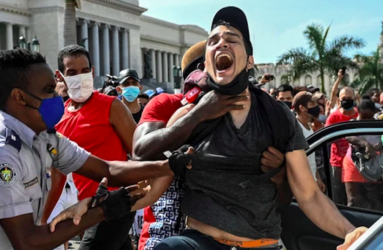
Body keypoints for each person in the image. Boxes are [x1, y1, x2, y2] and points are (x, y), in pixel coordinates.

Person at [149, 6, 366, 250]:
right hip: (196, 242)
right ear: (206, 63)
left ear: (250, 61)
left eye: (232, 39)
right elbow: (152, 185)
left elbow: (309, 195)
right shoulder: (188, 117)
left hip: (259, 245)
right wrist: (106, 204)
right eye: (213, 41)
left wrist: (350, 232)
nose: (221, 44)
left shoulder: (278, 117)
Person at [0, 48, 179, 250]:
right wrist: (101, 211)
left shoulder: (46, 138)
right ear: (20, 97)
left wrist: (169, 165)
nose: (57, 97)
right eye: (48, 90)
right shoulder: (0, 156)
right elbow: (27, 242)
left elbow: (107, 170)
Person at [133, 40, 289, 250]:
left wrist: (278, 174)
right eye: (214, 66)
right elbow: (142, 155)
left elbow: (279, 197)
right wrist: (198, 114)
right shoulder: (170, 106)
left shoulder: (262, 118)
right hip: (169, 230)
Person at [50, 45, 138, 250]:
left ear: (93, 71)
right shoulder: (58, 117)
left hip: (112, 205)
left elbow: (139, 153)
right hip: (81, 211)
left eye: (84, 71)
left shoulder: (112, 106)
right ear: (60, 76)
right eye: (72, 72)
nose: (80, 77)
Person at [343, 96, 383, 210]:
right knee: (353, 200)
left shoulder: (378, 124)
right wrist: (365, 144)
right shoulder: (353, 123)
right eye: (363, 117)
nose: (366, 121)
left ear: (374, 113)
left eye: (369, 117)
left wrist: (380, 145)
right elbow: (349, 137)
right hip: (353, 163)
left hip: (375, 164)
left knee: (375, 200)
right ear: (357, 113)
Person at [325, 86, 359, 205]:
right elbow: (326, 139)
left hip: (356, 164)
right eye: (344, 98)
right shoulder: (334, 117)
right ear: (339, 100)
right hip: (337, 163)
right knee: (338, 199)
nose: (346, 100)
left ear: (355, 99)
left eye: (349, 98)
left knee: (354, 199)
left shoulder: (359, 116)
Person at [292, 91, 325, 192]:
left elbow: (311, 158)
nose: (317, 107)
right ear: (302, 108)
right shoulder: (296, 129)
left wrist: (317, 178)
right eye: (313, 104)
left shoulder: (308, 126)